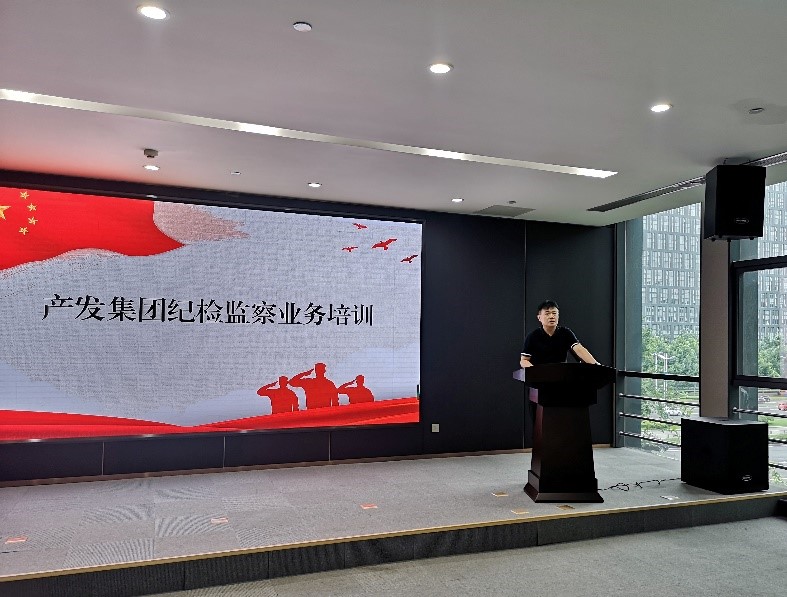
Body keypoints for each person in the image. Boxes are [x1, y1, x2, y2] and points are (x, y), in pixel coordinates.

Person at [520, 300, 600, 368]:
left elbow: (579, 349)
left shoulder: (565, 333)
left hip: (561, 375)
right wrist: (536, 372)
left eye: (554, 313)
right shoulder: (533, 336)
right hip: (539, 376)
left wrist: (596, 365)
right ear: (539, 317)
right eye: (547, 313)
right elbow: (524, 360)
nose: (551, 316)